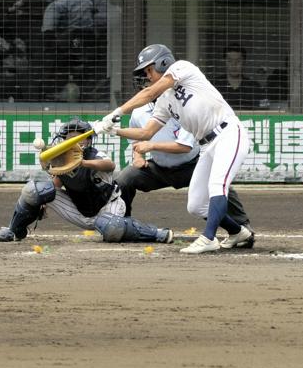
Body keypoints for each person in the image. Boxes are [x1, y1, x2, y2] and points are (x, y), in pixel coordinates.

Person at [95, 44, 253, 254]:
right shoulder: (165, 101)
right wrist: (113, 130)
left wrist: (117, 111)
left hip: (228, 133)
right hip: (207, 145)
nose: (148, 76)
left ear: (163, 62)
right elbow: (145, 134)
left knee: (218, 185)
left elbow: (150, 93)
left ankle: (208, 237)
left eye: (149, 70)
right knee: (196, 205)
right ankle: (238, 232)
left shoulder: (183, 68)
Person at [115, 79, 254, 248]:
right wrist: (138, 157)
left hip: (191, 165)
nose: (148, 89)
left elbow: (184, 147)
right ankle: (124, 226)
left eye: (151, 85)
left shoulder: (179, 106)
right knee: (124, 178)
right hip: (159, 168)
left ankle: (241, 228)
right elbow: (137, 140)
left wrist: (151, 145)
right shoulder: (138, 113)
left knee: (219, 186)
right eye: (144, 87)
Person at [0, 118, 173, 244]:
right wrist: (43, 204)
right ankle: (15, 231)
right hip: (79, 210)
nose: (74, 140)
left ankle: (155, 233)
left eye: (80, 136)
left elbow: (109, 165)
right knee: (33, 191)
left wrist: (83, 162)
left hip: (107, 208)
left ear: (88, 140)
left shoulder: (94, 155)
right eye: (69, 136)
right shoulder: (60, 158)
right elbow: (56, 184)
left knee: (112, 229)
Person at [210, 44, 264, 110]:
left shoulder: (254, 87)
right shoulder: (214, 85)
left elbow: (262, 111)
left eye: (238, 61)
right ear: (225, 62)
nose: (234, 65)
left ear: (244, 62)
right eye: (230, 61)